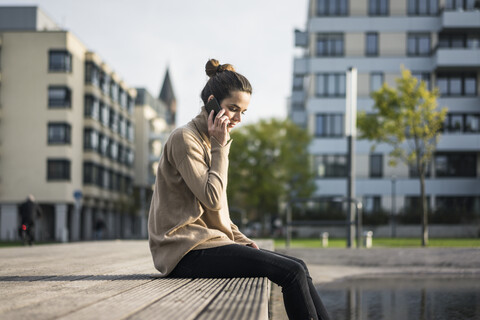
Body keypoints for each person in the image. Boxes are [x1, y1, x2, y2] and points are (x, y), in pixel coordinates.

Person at [148, 59, 331, 320]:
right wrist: (220, 146)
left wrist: (241, 239)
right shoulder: (185, 138)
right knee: (292, 273)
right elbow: (212, 199)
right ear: (212, 102)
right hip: (182, 251)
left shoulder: (211, 140)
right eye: (233, 109)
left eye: (243, 112)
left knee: (298, 266)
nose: (238, 119)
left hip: (205, 245)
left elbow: (218, 211)